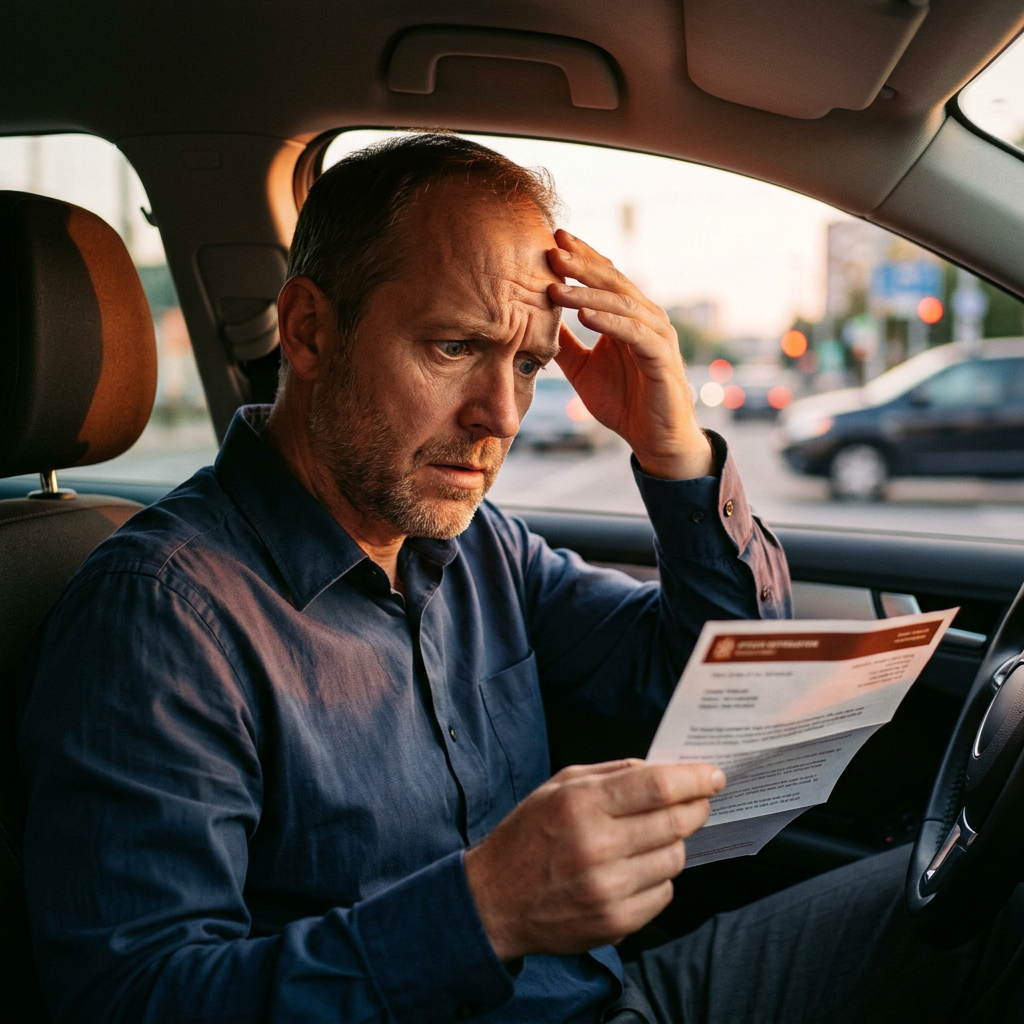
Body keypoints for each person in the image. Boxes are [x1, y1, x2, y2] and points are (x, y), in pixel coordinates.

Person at [20, 133, 1020, 1024]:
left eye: (530, 363)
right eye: (455, 346)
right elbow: (133, 995)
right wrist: (481, 911)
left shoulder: (478, 548)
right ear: (311, 331)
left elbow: (705, 680)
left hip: (614, 992)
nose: (501, 414)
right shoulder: (164, 616)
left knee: (999, 888)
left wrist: (673, 448)